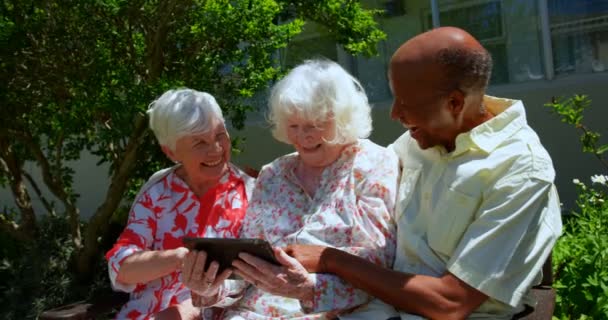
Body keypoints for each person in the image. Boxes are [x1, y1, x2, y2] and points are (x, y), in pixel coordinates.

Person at [285, 27, 563, 319]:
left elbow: (451, 303)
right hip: (375, 308)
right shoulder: (423, 137)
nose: (394, 114)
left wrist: (332, 260)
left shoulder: (520, 171)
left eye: (406, 103)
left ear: (455, 103)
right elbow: (357, 172)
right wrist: (273, 178)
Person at [181, 59, 399, 319]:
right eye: (294, 126)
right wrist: (210, 287)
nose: (303, 136)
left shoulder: (372, 164)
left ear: (343, 118)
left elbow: (378, 265)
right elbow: (245, 268)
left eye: (314, 125)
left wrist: (308, 290)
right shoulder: (273, 174)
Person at [105, 89, 255, 320]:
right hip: (151, 313)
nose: (216, 149)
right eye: (200, 143)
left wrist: (188, 310)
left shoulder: (249, 192)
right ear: (171, 151)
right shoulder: (157, 190)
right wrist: (180, 259)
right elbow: (122, 265)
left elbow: (255, 276)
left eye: (220, 135)